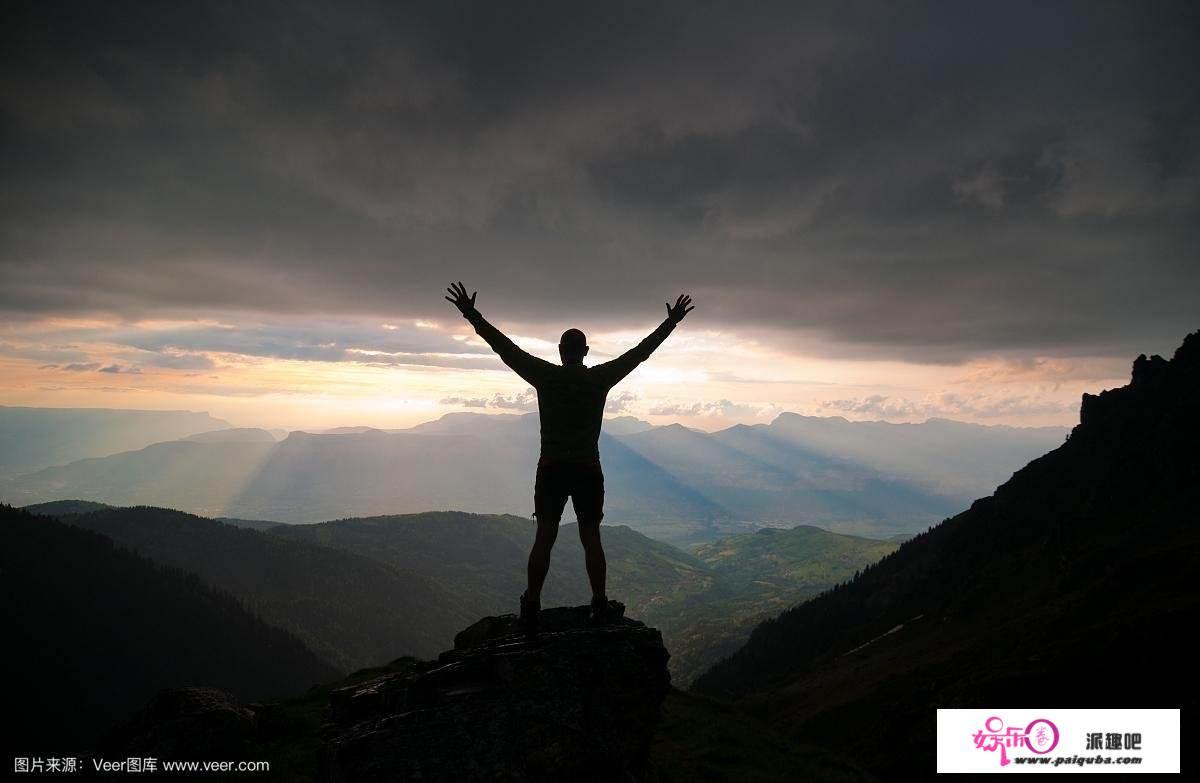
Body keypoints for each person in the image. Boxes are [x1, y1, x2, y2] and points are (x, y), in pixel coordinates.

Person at [445, 282, 694, 633]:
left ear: (561, 351)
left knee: (544, 535)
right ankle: (599, 601)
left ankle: (531, 603)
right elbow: (640, 353)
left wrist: (472, 314)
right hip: (588, 470)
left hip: (551, 469)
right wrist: (671, 323)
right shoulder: (600, 379)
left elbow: (506, 349)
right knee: (591, 535)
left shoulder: (545, 376)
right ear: (586, 351)